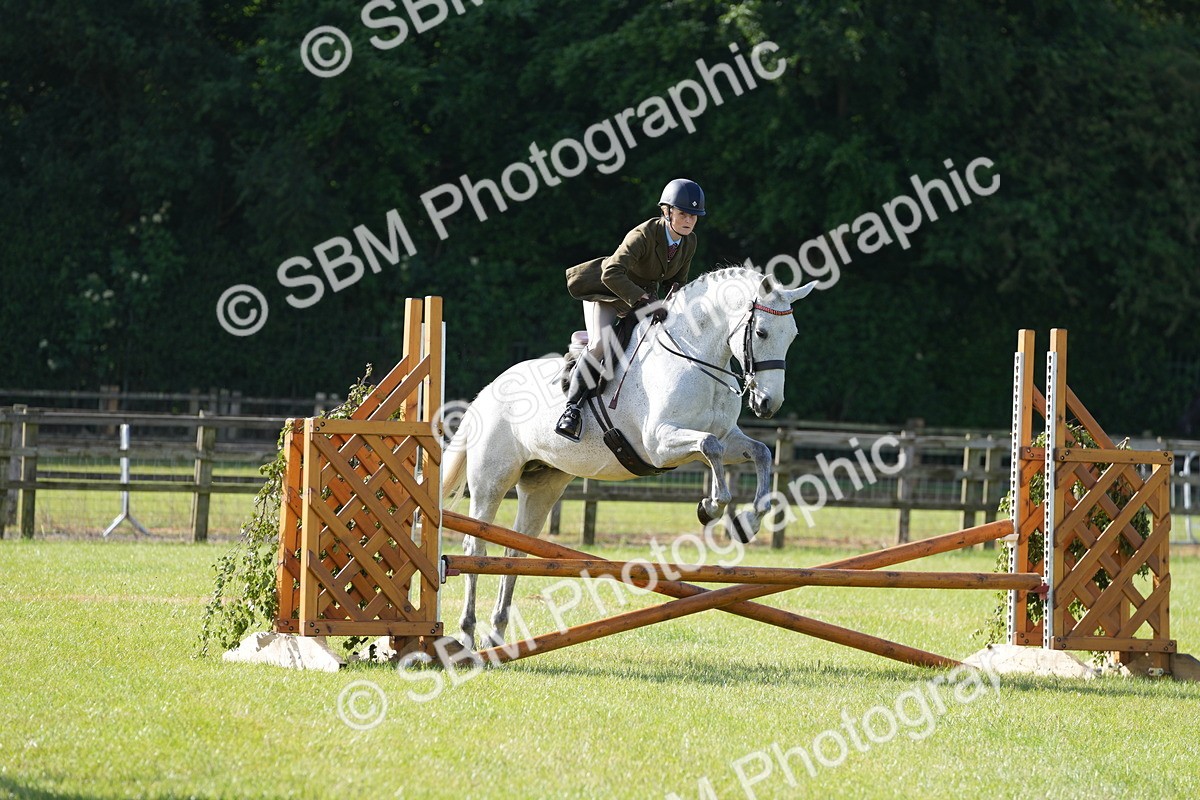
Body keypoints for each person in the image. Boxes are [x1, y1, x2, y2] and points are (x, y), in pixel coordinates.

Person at [554, 178, 705, 441]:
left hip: (642, 299)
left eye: (694, 216)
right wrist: (644, 299)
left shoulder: (689, 241)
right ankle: (571, 411)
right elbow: (611, 272)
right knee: (601, 344)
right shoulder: (644, 234)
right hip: (608, 293)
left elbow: (675, 282)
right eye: (683, 213)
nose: (689, 220)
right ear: (667, 211)